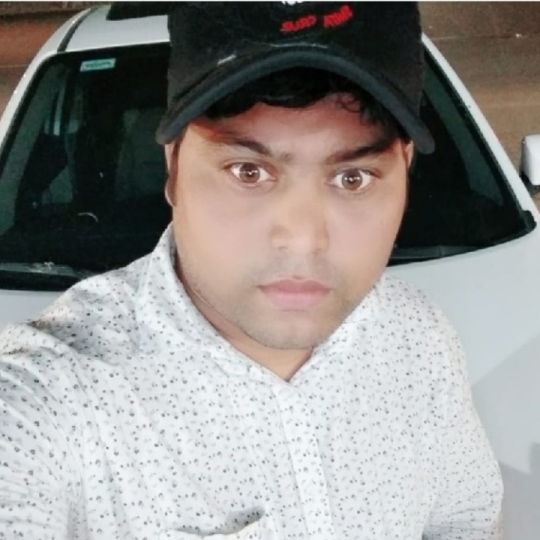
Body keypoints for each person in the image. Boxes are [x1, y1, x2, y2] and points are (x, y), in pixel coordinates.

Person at [0, 2, 503, 539]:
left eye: (352, 178)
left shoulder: (419, 340)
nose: (303, 238)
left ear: (403, 170)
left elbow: (464, 520)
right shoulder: (48, 402)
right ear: (173, 167)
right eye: (248, 171)